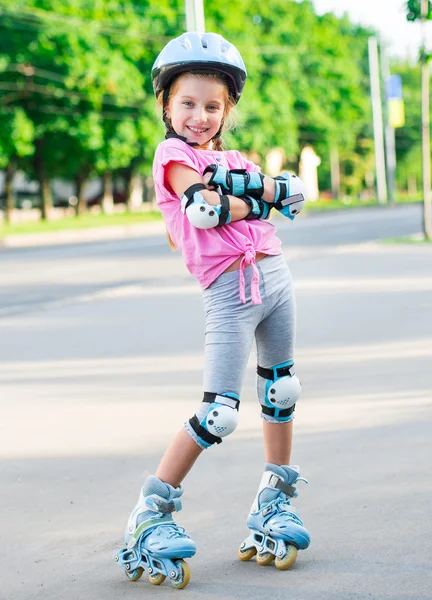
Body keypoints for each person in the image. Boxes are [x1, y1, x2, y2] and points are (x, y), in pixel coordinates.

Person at [114, 32, 310, 589]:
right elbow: (202, 210)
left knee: (282, 389)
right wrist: (260, 196)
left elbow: (295, 194)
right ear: (166, 105)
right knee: (220, 412)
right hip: (228, 290)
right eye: (188, 103)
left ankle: (275, 499)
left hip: (274, 276)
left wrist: (247, 192)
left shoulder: (229, 157)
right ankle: (150, 513)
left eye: (212, 106)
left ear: (227, 111)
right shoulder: (172, 155)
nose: (200, 116)